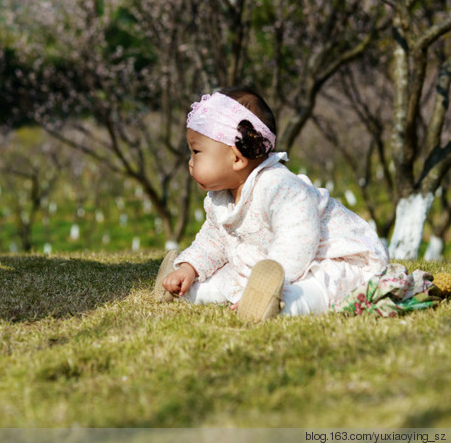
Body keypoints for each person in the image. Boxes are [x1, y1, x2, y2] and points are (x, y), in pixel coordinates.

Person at [154, 86, 390, 322]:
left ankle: (278, 304)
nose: (190, 162)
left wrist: (273, 281)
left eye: (196, 152)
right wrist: (190, 268)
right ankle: (182, 287)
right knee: (222, 279)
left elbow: (298, 241)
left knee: (314, 288)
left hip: (329, 259)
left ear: (236, 158)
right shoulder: (221, 197)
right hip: (264, 267)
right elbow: (213, 240)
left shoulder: (279, 185)